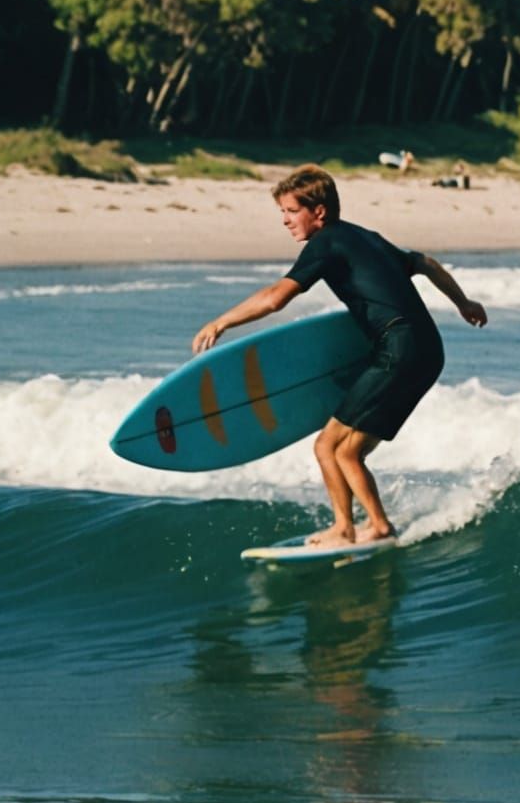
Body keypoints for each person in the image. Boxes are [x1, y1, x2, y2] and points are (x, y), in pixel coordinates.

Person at [193, 164, 487, 547]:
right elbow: (425, 263)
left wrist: (222, 322)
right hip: (427, 349)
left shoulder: (325, 242)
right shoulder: (365, 237)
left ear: (319, 212)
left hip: (398, 348)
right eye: (281, 212)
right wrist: (462, 302)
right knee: (347, 449)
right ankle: (356, 526)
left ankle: (359, 527)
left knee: (328, 446)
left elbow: (276, 298)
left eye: (291, 210)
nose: (284, 220)